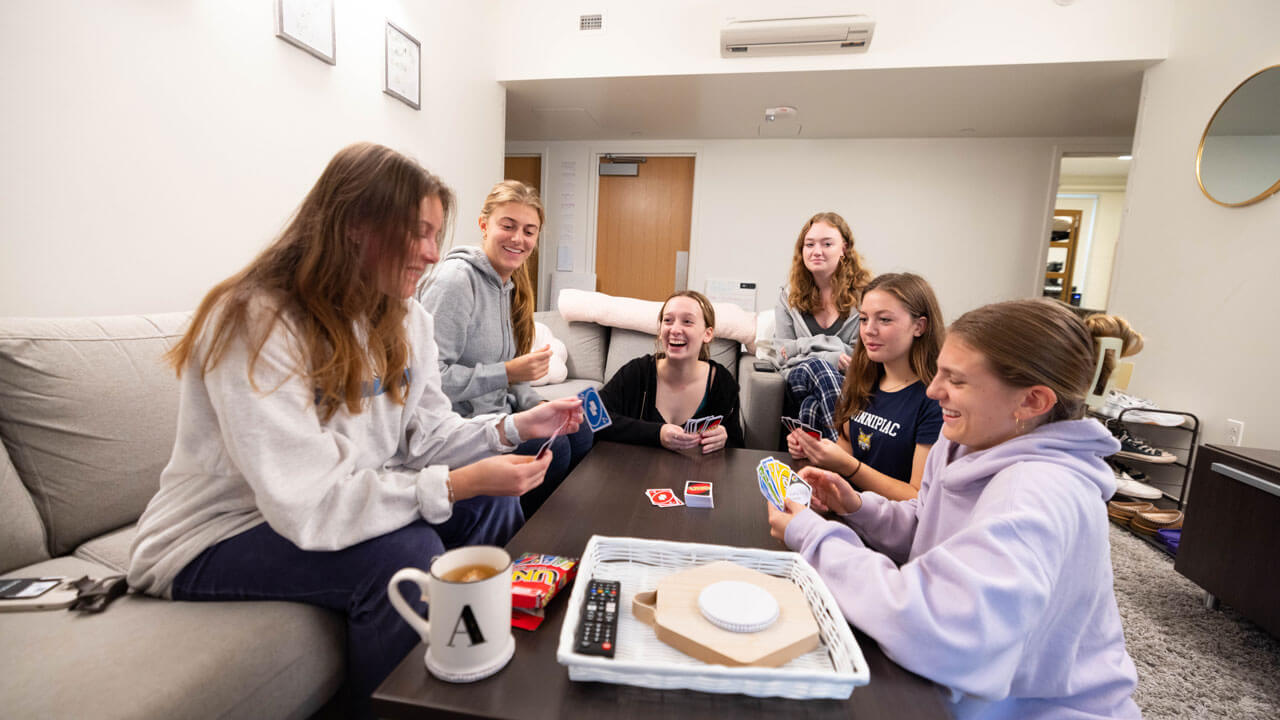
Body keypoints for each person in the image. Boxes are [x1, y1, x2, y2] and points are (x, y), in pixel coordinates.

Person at [126, 143, 582, 711]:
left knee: (493, 504)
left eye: (436, 235)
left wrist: (511, 428)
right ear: (354, 226)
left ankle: (469, 665)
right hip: (219, 533)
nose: (432, 253)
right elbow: (309, 501)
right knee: (405, 553)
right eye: (418, 233)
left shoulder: (407, 317)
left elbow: (427, 436)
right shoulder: (256, 319)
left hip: (317, 505)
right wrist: (456, 483)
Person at [767, 298, 1140, 719]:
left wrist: (815, 537)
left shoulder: (1037, 494)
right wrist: (857, 507)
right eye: (939, 371)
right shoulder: (962, 439)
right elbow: (929, 527)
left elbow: (938, 629)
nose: (932, 391)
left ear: (1032, 401)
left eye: (956, 380)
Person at [418, 180, 592, 517]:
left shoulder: (506, 287)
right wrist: (506, 373)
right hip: (460, 427)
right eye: (508, 226)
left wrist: (537, 406)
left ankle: (561, 525)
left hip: (500, 416)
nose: (518, 238)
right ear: (484, 225)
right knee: (554, 447)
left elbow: (512, 375)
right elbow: (430, 380)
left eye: (529, 231)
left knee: (580, 430)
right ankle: (530, 533)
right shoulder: (455, 282)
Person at [787, 273, 944, 500]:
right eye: (863, 319)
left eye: (885, 320)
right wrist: (816, 451)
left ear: (919, 326)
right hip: (847, 506)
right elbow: (846, 447)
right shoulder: (863, 380)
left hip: (890, 518)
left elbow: (916, 496)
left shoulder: (935, 400)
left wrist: (849, 466)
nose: (869, 330)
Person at [597, 290, 744, 453]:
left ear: (707, 334)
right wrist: (657, 434)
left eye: (687, 321)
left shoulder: (722, 382)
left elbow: (738, 448)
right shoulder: (637, 372)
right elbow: (592, 418)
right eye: (668, 320)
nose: (674, 329)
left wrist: (724, 439)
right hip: (634, 466)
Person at [772, 212, 872, 438]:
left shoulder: (865, 297)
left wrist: (801, 346)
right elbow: (782, 355)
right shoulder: (788, 296)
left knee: (811, 407)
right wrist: (830, 356)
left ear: (844, 248)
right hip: (797, 378)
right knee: (820, 368)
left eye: (827, 244)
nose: (817, 251)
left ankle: (815, 457)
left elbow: (862, 356)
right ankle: (845, 451)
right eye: (809, 244)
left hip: (848, 383)